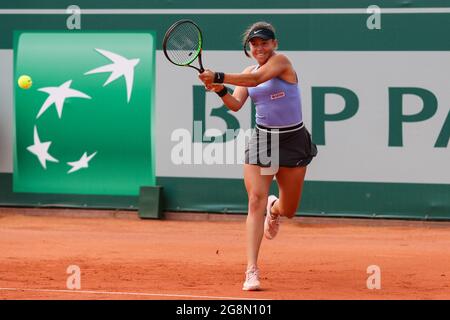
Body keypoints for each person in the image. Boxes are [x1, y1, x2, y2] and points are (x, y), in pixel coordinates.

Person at [198, 21, 317, 291]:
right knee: (254, 201)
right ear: (249, 48)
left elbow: (254, 81)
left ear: (274, 44)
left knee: (289, 210)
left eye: (265, 42)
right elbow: (236, 105)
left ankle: (274, 209)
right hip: (263, 141)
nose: (260, 48)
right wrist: (219, 89)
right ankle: (251, 269)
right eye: (255, 44)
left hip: (293, 141)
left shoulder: (282, 63)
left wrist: (216, 76)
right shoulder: (247, 71)